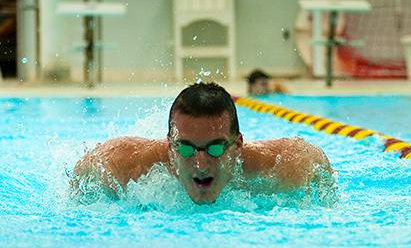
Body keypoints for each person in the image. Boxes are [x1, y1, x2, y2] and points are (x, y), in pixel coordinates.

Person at [73, 82, 330, 205]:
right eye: (185, 148)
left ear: (238, 146)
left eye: (216, 148)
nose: (200, 163)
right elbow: (82, 173)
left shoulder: (282, 168)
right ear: (171, 148)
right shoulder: (128, 167)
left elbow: (315, 160)